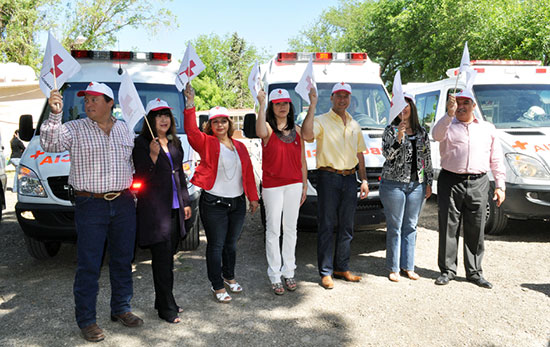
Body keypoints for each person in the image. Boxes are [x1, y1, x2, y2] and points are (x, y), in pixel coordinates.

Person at [41, 82, 143, 342]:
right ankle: (87, 320)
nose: (88, 105)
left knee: (122, 260)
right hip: (90, 205)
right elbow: (49, 145)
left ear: (110, 103)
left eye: (94, 100)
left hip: (122, 203)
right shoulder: (73, 128)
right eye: (86, 101)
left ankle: (121, 308)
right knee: (89, 265)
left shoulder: (124, 130)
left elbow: (133, 163)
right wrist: (55, 113)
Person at [183, 84, 259, 303]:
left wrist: (252, 198)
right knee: (216, 245)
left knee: (231, 244)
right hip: (214, 203)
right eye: (215, 121)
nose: (220, 124)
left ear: (229, 123)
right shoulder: (206, 143)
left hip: (236, 203)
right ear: (211, 125)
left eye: (223, 121)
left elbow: (247, 172)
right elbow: (191, 132)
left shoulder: (240, 146)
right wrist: (190, 104)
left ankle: (229, 276)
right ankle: (216, 285)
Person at [432, 90, 505, 289]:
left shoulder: (487, 128)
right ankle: (447, 271)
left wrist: (500, 185)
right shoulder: (447, 124)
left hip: (479, 181)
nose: (461, 106)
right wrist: (448, 114)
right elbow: (435, 135)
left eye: (466, 102)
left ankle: (474, 272)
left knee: (476, 227)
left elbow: (496, 159)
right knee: (448, 226)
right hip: (450, 181)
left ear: (474, 105)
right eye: (458, 102)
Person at [301, 82, 370, 290]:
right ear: (331, 98)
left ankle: (342, 267)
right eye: (338, 96)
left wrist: (364, 179)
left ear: (350, 99)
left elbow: (360, 154)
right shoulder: (321, 120)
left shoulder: (354, 124)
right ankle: (325, 272)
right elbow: (306, 135)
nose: (342, 99)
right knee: (327, 225)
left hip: (350, 179)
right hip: (328, 178)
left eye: (346, 96)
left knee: (347, 227)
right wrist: (311, 107)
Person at [132, 98, 192, 323]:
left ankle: (164, 300)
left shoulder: (176, 143)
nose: (164, 119)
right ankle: (166, 309)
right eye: (158, 115)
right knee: (162, 261)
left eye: (166, 114)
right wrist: (153, 156)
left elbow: (180, 175)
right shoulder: (141, 144)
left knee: (169, 257)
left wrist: (185, 202)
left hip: (176, 210)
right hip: (156, 212)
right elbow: (140, 178)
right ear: (150, 119)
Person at [255, 88, 317, 295]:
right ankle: (274, 274)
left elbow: (305, 151)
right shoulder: (268, 128)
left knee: (290, 228)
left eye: (286, 103)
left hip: (294, 184)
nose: (282, 107)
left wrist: (304, 183)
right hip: (273, 186)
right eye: (278, 103)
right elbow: (260, 132)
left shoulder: (297, 130)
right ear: (272, 107)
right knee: (273, 230)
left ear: (290, 106)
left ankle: (289, 270)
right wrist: (261, 103)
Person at [380, 95, 433, 282]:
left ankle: (408, 266)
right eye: (400, 106)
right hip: (393, 185)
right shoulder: (390, 130)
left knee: (411, 226)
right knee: (395, 227)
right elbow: (388, 155)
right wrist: (399, 137)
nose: (403, 109)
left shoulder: (421, 132)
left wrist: (429, 182)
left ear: (412, 107)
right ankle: (393, 267)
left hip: (416, 185)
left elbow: (427, 159)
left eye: (406, 105)